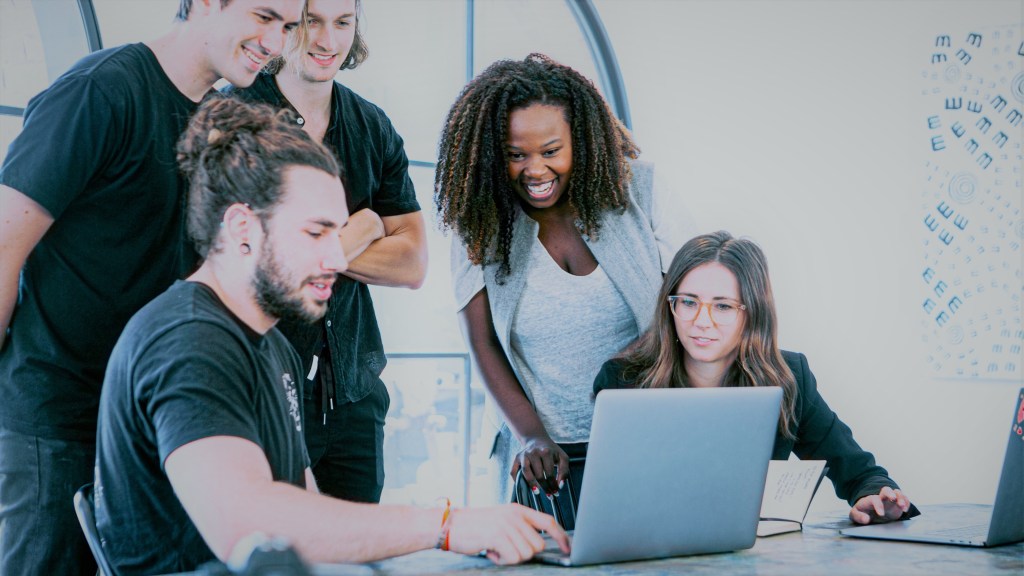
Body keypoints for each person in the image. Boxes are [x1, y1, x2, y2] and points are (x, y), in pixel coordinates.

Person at [94, 97, 568, 576]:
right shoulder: (189, 341)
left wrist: (457, 539)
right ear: (242, 227)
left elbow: (308, 517)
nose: (338, 261)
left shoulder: (272, 345)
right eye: (315, 234)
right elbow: (251, 529)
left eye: (337, 233)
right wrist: (446, 526)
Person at [0, 1, 301, 573]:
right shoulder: (99, 92)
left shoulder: (220, 120)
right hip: (58, 418)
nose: (277, 42)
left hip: (154, 422)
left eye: (287, 26)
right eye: (264, 16)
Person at [434, 53, 683, 500]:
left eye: (551, 151)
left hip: (644, 433)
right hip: (543, 457)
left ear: (581, 141)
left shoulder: (641, 191)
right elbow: (482, 341)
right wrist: (531, 436)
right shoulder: (479, 220)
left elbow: (682, 312)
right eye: (516, 155)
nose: (535, 170)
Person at [225, 0, 427, 503]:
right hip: (260, 391)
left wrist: (308, 245)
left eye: (343, 23)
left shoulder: (372, 126)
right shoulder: (233, 118)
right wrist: (362, 229)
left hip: (353, 397)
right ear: (287, 23)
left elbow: (413, 263)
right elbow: (237, 254)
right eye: (312, 21)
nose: (327, 41)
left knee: (356, 556)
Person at [593, 231, 920, 525]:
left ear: (752, 313)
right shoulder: (624, 382)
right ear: (670, 307)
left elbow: (856, 470)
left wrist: (873, 496)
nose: (701, 321)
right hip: (648, 551)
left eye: (722, 306)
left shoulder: (789, 379)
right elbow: (609, 497)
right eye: (689, 302)